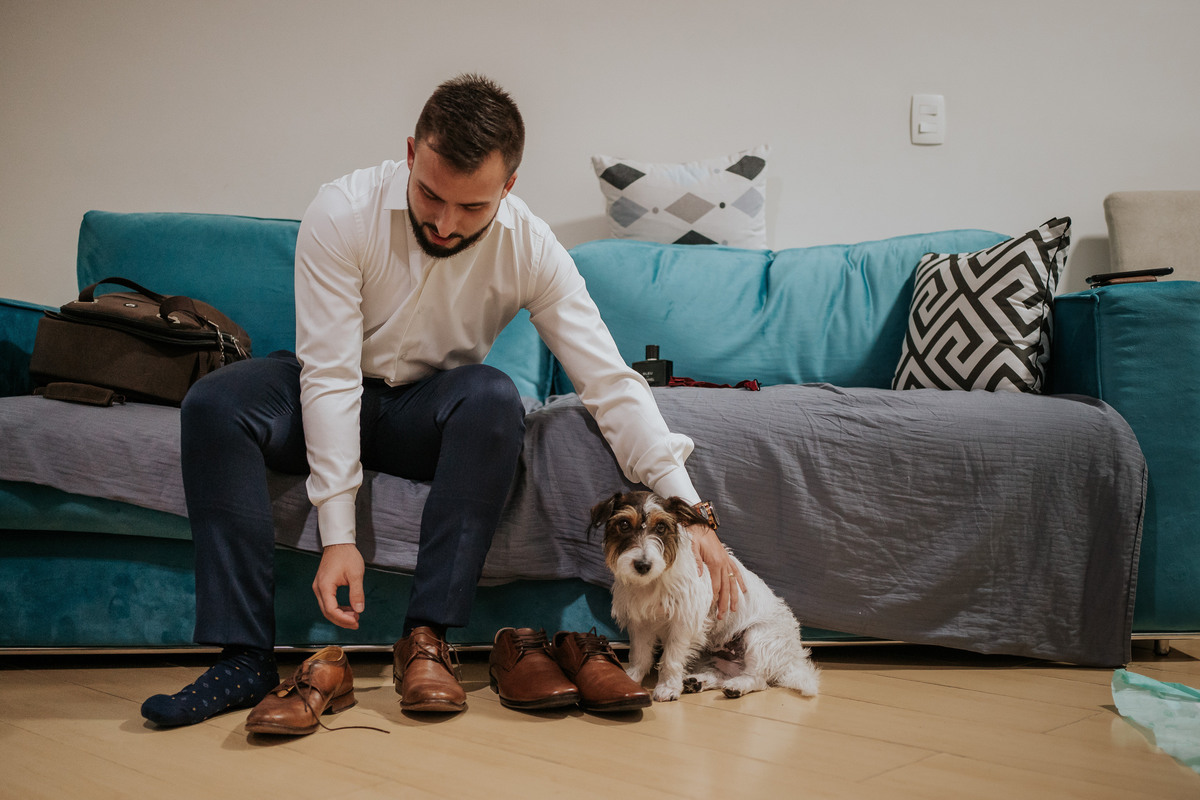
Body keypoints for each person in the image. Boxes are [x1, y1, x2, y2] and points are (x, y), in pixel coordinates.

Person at [141, 74, 743, 726]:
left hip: (426, 411)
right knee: (213, 403)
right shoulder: (341, 211)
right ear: (410, 152)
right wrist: (338, 534)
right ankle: (243, 659)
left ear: (508, 188)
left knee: (492, 397)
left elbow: (609, 381)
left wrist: (692, 512)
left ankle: (426, 639)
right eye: (430, 194)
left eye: (471, 208)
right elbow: (331, 377)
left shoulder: (532, 247)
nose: (444, 223)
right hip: (326, 378)